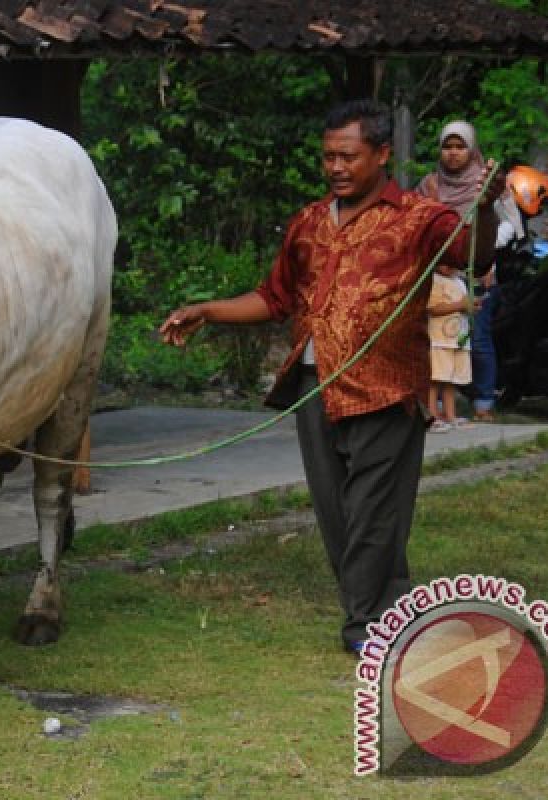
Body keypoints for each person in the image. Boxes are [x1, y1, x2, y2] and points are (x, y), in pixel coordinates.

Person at [159, 99, 504, 654]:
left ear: (382, 154)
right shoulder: (309, 223)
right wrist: (208, 309)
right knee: (339, 512)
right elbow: (274, 297)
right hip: (317, 386)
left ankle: (365, 628)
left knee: (373, 509)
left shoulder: (420, 217)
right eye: (328, 158)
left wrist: (485, 210)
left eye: (348, 156)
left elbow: (472, 253)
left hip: (388, 389)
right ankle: (395, 608)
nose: (336, 167)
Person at [415, 121, 499, 421]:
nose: (453, 153)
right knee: (433, 341)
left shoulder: (487, 182)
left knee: (475, 338)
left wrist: (487, 258)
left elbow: (505, 225)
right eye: (447, 147)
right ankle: (434, 405)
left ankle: (483, 403)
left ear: (472, 148)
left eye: (460, 146)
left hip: (475, 272)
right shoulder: (429, 185)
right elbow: (416, 226)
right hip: (437, 274)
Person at [426, 263, 473, 432]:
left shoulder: (460, 281)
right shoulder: (434, 280)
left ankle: (450, 414)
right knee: (436, 378)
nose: (449, 266)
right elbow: (433, 307)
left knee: (451, 378)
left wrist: (471, 307)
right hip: (440, 339)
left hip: (458, 339)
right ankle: (431, 415)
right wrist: (460, 306)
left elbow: (463, 305)